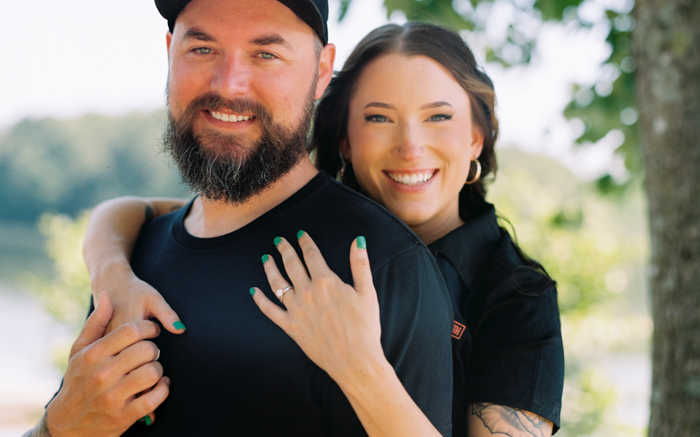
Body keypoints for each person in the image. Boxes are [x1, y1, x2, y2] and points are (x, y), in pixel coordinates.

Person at [23, 0, 455, 437]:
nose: (228, 85)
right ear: (169, 53)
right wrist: (56, 428)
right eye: (202, 48)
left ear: (321, 72)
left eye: (266, 54)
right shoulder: (130, 268)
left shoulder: (381, 267)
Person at [80, 23, 565, 436]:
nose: (411, 146)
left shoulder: (517, 296)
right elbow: (139, 212)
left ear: (476, 137)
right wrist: (112, 277)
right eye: (379, 118)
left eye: (438, 117)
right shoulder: (305, 226)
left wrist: (360, 367)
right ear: (345, 140)